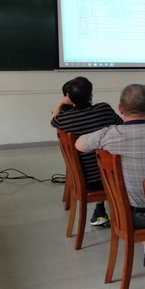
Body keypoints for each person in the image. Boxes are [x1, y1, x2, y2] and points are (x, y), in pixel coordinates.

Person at [75, 84, 145, 268]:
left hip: (132, 213)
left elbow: (79, 145)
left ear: (120, 109)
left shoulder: (108, 134)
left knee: (138, 183)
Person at [51, 76, 122, 226]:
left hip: (86, 178)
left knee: (98, 160)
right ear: (91, 95)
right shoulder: (103, 109)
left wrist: (60, 103)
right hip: (108, 176)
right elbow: (122, 127)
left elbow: (53, 121)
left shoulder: (64, 119)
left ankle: (100, 211)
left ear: (68, 97)